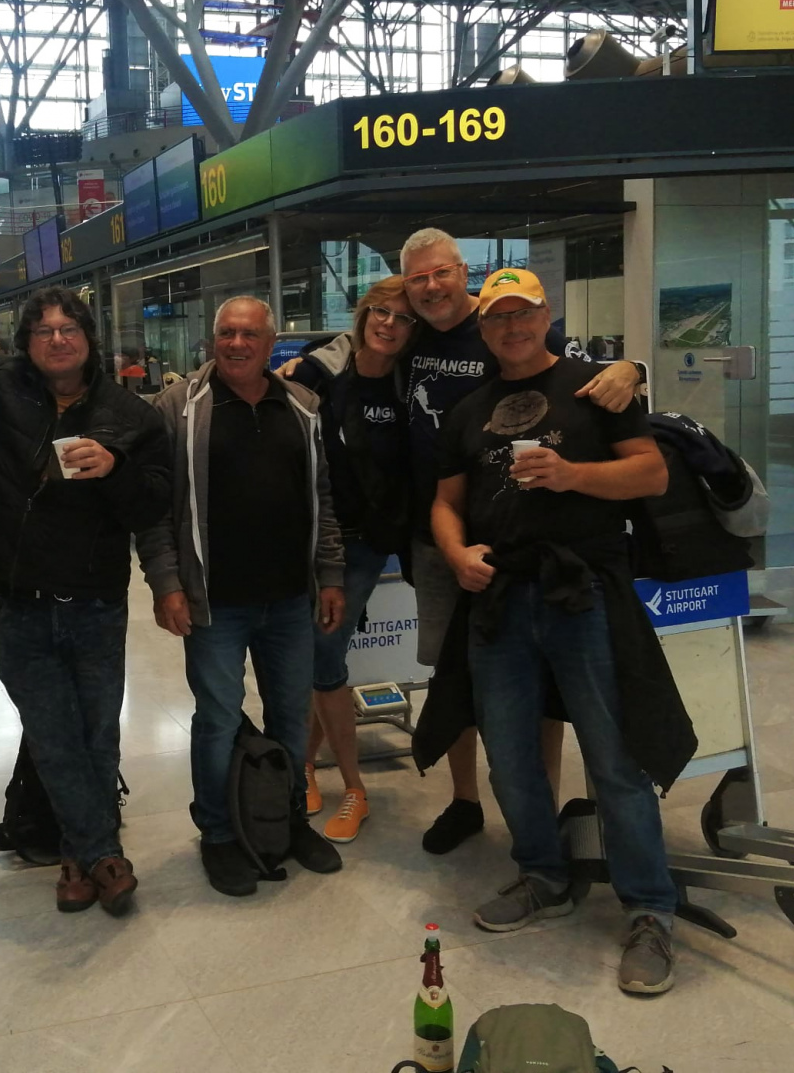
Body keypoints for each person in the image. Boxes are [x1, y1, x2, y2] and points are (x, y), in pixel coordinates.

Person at [429, 266, 694, 995]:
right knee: (511, 755)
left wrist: (573, 474)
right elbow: (446, 502)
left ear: (546, 315)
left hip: (583, 593)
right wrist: (455, 553)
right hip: (500, 597)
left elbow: (650, 476)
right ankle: (544, 876)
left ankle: (650, 909)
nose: (511, 327)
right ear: (483, 328)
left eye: (523, 313)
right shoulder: (468, 411)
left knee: (614, 757)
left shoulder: (596, 390)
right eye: (497, 317)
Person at [399, 228, 641, 855]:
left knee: (542, 688)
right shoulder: (409, 334)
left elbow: (592, 376)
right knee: (454, 675)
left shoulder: (515, 328)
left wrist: (633, 368)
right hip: (447, 538)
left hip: (534, 551)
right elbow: (357, 346)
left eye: (441, 273)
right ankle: (466, 801)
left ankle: (546, 808)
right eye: (418, 278)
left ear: (464, 276)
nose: (431, 286)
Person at [0, 288, 171, 915]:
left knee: (97, 735)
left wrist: (116, 468)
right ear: (26, 343)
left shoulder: (130, 414)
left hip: (96, 602)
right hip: (21, 601)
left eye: (70, 328)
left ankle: (78, 859)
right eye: (44, 331)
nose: (58, 339)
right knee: (53, 735)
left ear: (90, 338)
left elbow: (154, 504)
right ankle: (104, 855)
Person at [138, 296, 347, 897]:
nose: (236, 344)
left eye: (249, 334)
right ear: (212, 340)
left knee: (290, 714)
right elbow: (155, 509)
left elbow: (323, 497)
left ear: (270, 343)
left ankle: (289, 818)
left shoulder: (303, 407)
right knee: (218, 719)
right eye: (226, 333)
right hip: (215, 601)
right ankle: (219, 834)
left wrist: (330, 573)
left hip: (289, 599)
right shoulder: (179, 407)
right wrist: (167, 583)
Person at [281, 276, 416, 842]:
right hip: (312, 538)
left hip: (366, 545)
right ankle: (309, 770)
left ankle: (349, 786)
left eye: (403, 318)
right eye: (381, 311)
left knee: (325, 657)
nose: (389, 324)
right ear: (363, 314)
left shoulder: (413, 381)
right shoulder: (321, 372)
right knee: (321, 658)